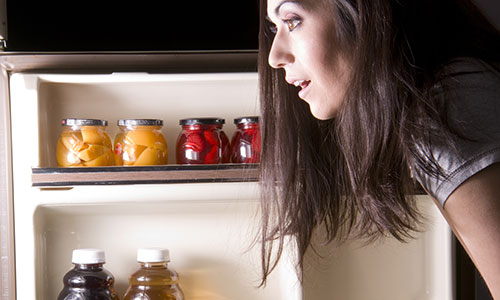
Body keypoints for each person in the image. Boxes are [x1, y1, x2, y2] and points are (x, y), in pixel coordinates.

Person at [257, 0, 500, 297]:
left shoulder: (451, 110)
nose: (274, 56)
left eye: (292, 21)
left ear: (362, 12)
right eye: (274, 27)